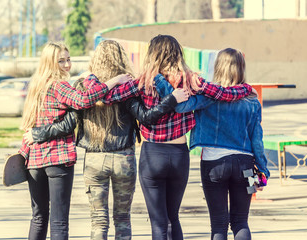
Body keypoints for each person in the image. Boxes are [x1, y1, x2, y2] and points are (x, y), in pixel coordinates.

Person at [87, 35, 254, 240]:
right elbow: (223, 93)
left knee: (159, 223)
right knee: (173, 218)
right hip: (178, 155)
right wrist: (245, 88)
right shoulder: (190, 80)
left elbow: (107, 97)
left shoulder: (143, 81)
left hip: (152, 155)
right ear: (178, 53)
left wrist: (96, 78)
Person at [22, 39, 190, 240]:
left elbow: (71, 120)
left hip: (94, 159)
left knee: (99, 221)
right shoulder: (128, 85)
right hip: (124, 158)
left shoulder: (84, 86)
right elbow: (143, 116)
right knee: (122, 219)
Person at [18, 41, 131, 240]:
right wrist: (113, 81)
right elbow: (84, 100)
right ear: (50, 63)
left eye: (68, 59)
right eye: (61, 61)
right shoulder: (59, 86)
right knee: (59, 221)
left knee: (38, 217)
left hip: (34, 160)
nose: (67, 65)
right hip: (57, 159)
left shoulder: (35, 86)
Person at [155, 48, 270, 240]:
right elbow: (257, 139)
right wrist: (264, 170)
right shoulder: (252, 99)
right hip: (246, 166)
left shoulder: (208, 96)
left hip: (214, 165)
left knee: (218, 224)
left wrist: (161, 81)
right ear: (241, 69)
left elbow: (180, 105)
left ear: (217, 67)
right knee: (241, 221)